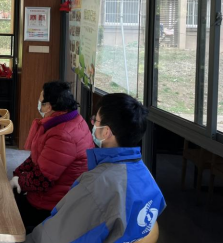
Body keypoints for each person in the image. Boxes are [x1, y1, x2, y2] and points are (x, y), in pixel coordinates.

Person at [26, 93, 166, 243]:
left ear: (106, 132)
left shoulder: (96, 185)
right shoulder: (147, 177)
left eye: (95, 120)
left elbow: (55, 237)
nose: (92, 124)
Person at [10, 81, 94, 229]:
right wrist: (18, 173)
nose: (39, 105)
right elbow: (40, 157)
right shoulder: (71, 119)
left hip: (51, 204)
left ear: (48, 106)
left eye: (40, 101)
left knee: (2, 216)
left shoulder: (62, 135)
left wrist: (20, 181)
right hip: (56, 195)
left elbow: (42, 180)